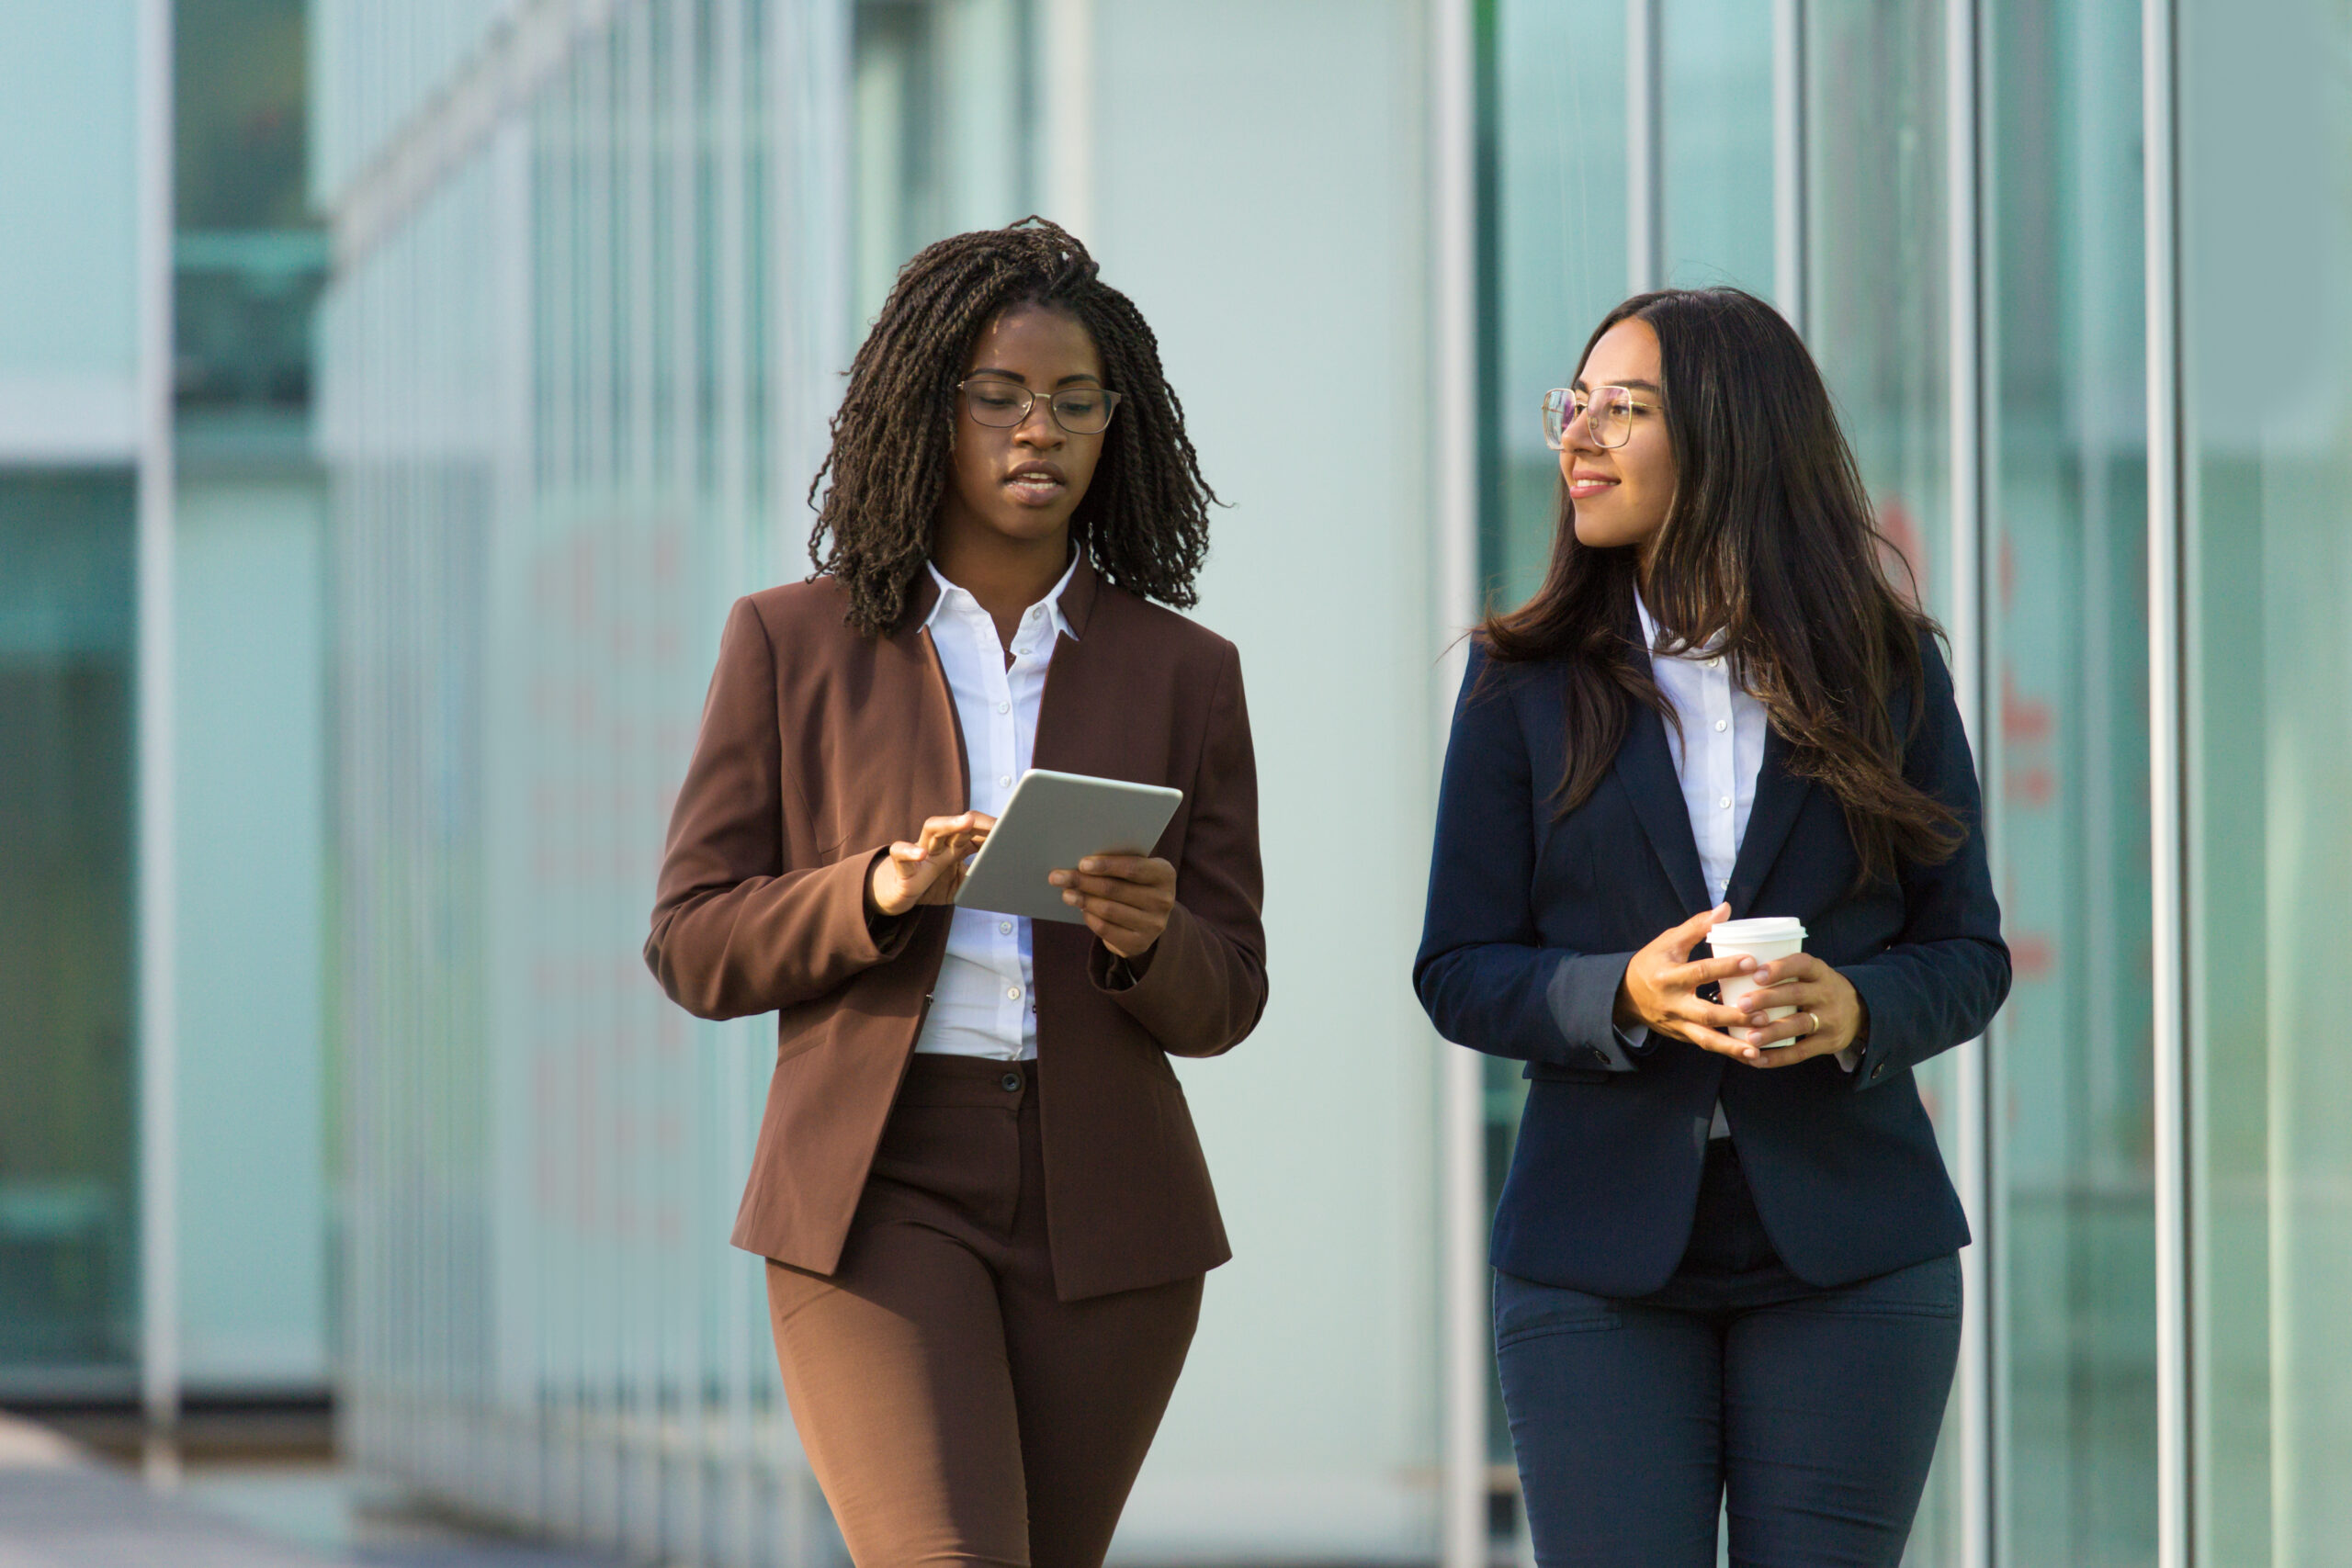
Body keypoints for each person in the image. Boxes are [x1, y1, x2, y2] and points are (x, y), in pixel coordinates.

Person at [644, 219, 1266, 1568]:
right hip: (877, 1189)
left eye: (1074, 400)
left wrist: (1149, 939)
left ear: (1117, 425)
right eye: (999, 394)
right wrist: (875, 888)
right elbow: (692, 940)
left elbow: (1231, 994)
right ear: (930, 406)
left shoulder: (1185, 673)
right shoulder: (790, 642)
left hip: (1109, 1213)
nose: (1037, 427)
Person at [1415, 287, 2008, 1567]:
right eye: (1573, 406)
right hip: (1594, 1256)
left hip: (1855, 1253)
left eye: (1622, 410)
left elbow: (1968, 954)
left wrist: (1856, 1009)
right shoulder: (1519, 683)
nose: (1578, 437)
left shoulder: (1886, 668)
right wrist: (1620, 992)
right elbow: (1458, 970)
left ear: (1735, 434)